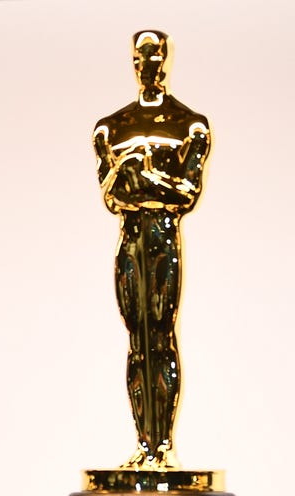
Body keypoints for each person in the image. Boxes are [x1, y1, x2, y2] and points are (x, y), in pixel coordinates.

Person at [94, 30, 212, 470]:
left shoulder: (189, 124)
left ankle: (162, 445)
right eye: (141, 55)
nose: (148, 63)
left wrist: (139, 177)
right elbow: (110, 197)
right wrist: (138, 181)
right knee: (137, 341)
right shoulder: (112, 127)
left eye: (155, 54)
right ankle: (145, 444)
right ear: (133, 60)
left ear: (166, 59)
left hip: (162, 236)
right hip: (131, 236)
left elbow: (187, 194)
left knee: (160, 334)